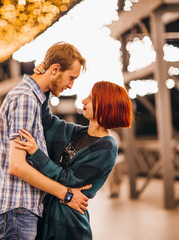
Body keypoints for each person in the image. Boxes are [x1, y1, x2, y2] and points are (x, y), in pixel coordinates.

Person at [0, 42, 90, 240]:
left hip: (20, 208)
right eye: (71, 78)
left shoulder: (32, 97)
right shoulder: (26, 98)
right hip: (18, 206)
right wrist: (67, 194)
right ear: (55, 69)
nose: (70, 85)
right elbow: (17, 166)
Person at [14, 75, 133, 239]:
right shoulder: (78, 133)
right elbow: (47, 121)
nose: (83, 101)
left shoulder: (107, 147)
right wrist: (45, 83)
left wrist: (36, 153)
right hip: (52, 213)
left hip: (69, 221)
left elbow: (69, 179)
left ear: (105, 105)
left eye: (90, 98)